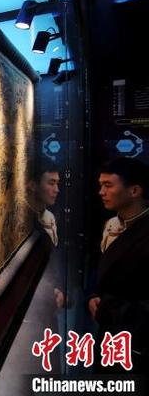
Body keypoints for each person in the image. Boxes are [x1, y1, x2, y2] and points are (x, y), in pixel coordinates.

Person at [88, 157, 149, 375]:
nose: (101, 192)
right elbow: (103, 269)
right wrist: (94, 295)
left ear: (134, 191)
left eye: (108, 185)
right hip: (110, 333)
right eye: (100, 185)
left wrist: (114, 308)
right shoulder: (112, 225)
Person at [26, 161, 65, 309]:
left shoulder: (50, 217)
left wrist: (58, 287)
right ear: (32, 185)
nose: (57, 190)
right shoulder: (23, 219)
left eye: (57, 183)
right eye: (51, 183)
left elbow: (53, 257)